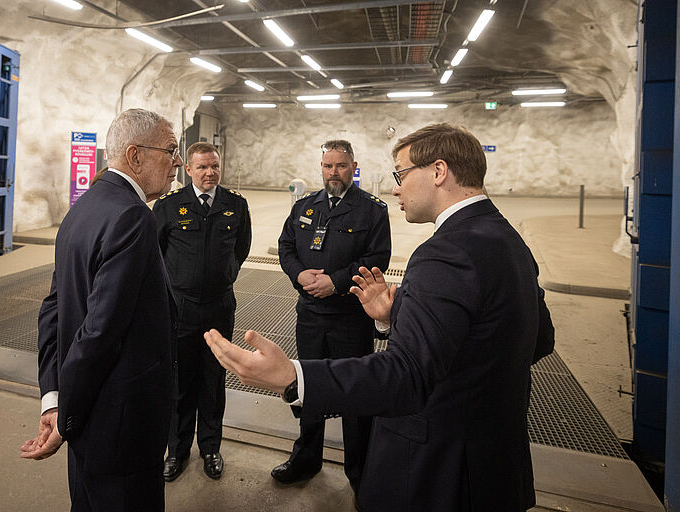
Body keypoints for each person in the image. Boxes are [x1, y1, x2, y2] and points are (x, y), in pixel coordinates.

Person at [205, 123, 555, 512]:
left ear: (438, 172)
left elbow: (406, 376)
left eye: (401, 174)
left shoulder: (444, 254)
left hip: (444, 471)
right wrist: (397, 316)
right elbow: (538, 339)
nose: (396, 188)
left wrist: (293, 376)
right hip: (494, 462)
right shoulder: (505, 238)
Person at [19, 108, 182, 512]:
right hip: (122, 423)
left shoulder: (82, 208)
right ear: (136, 155)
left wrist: (54, 398)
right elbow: (100, 331)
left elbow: (53, 311)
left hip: (89, 419)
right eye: (171, 150)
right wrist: (64, 417)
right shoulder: (133, 217)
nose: (177, 162)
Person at [273, 139, 391, 490]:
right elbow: (286, 246)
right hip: (309, 315)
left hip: (350, 316)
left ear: (353, 167)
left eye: (340, 166)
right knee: (309, 387)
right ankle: (306, 457)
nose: (333, 172)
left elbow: (377, 258)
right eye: (327, 166)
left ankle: (360, 470)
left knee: (356, 393)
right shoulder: (306, 206)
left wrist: (336, 283)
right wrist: (298, 274)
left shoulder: (372, 210)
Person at [153, 142, 252, 482]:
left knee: (213, 380)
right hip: (179, 308)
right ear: (189, 171)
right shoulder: (169, 206)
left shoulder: (235, 205)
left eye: (214, 166)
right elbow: (155, 251)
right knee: (179, 382)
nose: (210, 173)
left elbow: (241, 249)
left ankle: (210, 448)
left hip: (218, 307)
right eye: (202, 168)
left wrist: (223, 276)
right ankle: (176, 452)